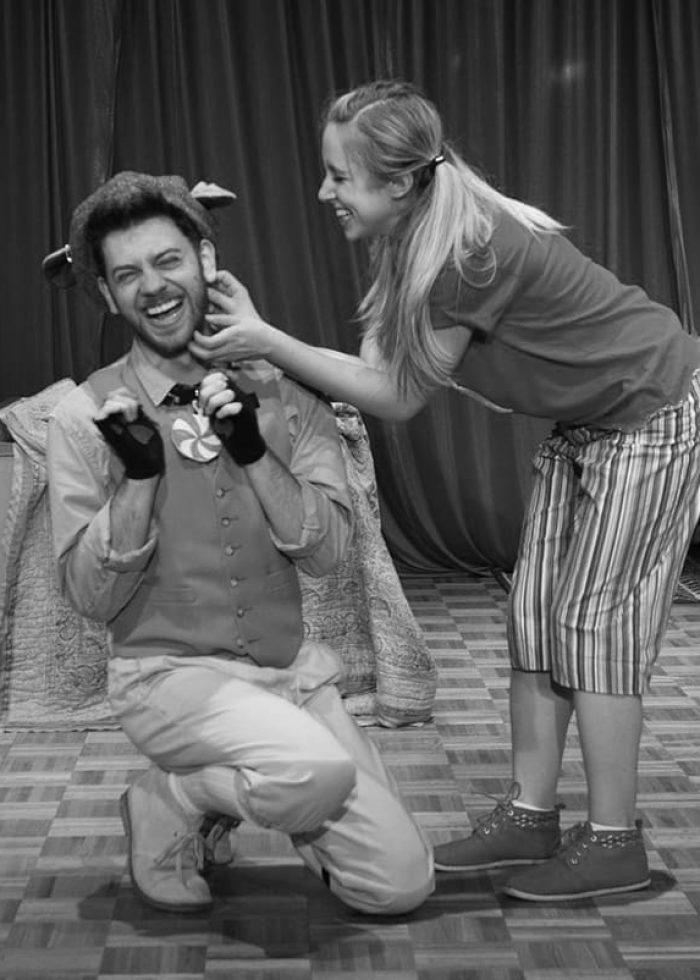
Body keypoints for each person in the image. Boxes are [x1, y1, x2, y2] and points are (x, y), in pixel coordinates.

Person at [188, 79, 700, 902]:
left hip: (652, 412)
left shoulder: (466, 253)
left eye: (339, 176)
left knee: (594, 628)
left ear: (399, 182)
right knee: (535, 618)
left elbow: (393, 395)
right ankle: (531, 815)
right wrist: (265, 337)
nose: (323, 192)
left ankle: (615, 841)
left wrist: (269, 340)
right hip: (590, 426)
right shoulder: (411, 234)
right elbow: (372, 369)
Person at [46, 170, 434, 916]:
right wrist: (137, 482)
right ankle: (176, 795)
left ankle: (200, 795)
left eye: (168, 260)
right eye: (126, 275)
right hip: (167, 678)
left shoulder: (288, 392)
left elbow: (327, 555)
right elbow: (89, 598)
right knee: (313, 771)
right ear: (107, 295)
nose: (152, 287)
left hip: (290, 676)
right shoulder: (85, 417)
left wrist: (256, 452)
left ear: (204, 258)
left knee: (399, 885)